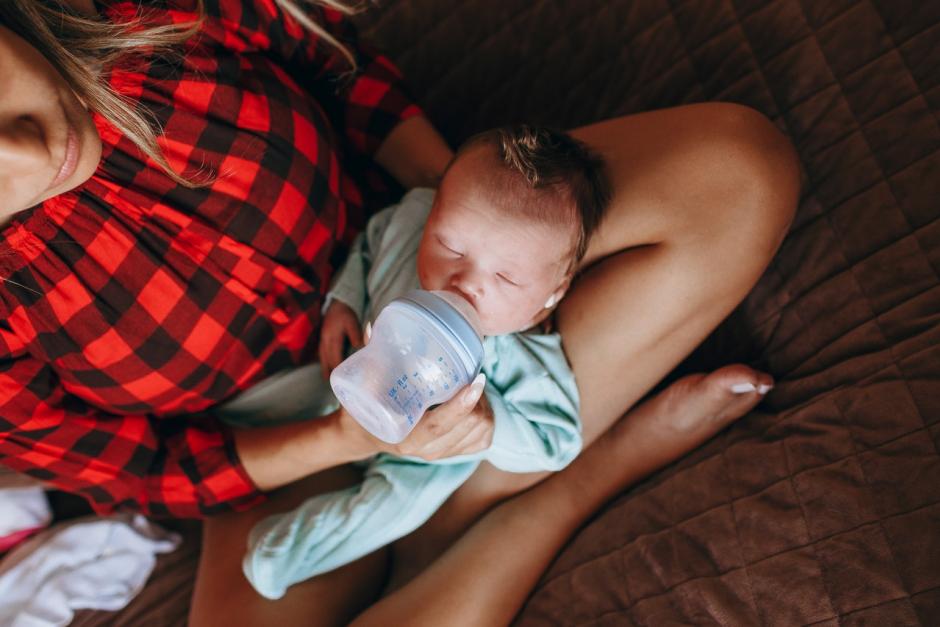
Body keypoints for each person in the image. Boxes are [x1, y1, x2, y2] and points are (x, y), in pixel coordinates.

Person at [0, 1, 799, 625]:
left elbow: (330, 60)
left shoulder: (131, 16)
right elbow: (150, 470)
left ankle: (448, 506)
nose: (31, 152)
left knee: (739, 173)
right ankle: (567, 484)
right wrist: (344, 436)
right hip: (284, 444)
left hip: (416, 249)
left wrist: (457, 225)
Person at [237, 125, 609, 597]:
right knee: (289, 396)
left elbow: (558, 440)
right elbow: (372, 238)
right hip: (351, 376)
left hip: (428, 455)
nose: (464, 281)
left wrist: (489, 424)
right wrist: (344, 300)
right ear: (432, 211)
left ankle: (291, 548)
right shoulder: (409, 224)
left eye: (506, 279)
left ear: (548, 299)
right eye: (451, 246)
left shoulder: (523, 352)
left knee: (399, 506)